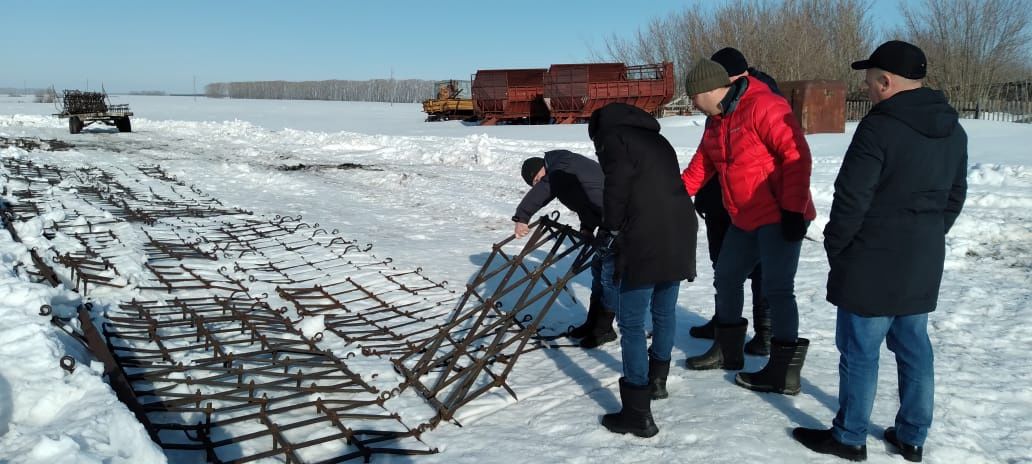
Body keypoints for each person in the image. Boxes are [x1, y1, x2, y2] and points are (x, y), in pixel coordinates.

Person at [793, 40, 968, 463]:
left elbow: (851, 198)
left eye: (870, 81)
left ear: (886, 81)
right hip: (922, 259)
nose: (867, 89)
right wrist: (927, 235)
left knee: (860, 351)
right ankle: (911, 435)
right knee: (914, 347)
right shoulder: (953, 128)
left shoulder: (879, 127)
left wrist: (839, 247)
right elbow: (954, 196)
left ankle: (850, 436)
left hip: (871, 259)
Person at [680, 58, 816, 396]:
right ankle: (728, 349)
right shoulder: (716, 121)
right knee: (726, 275)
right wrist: (670, 198)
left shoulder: (764, 107)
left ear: (710, 90)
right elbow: (701, 167)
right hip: (744, 217)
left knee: (777, 289)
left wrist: (794, 210)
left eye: (694, 97)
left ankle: (783, 372)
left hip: (780, 213)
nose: (693, 104)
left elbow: (797, 157)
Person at [587, 102, 697, 437]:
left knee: (632, 323)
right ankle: (657, 381)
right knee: (664, 311)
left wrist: (609, 228)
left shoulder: (614, 138)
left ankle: (638, 414)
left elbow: (617, 187)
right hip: (680, 230)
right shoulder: (656, 139)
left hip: (645, 235)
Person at [688, 47, 782, 356]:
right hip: (720, 203)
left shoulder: (764, 103)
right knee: (724, 269)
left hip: (759, 206)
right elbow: (704, 160)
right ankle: (724, 326)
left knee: (763, 273)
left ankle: (766, 332)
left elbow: (789, 158)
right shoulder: (719, 113)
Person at [513, 149, 616, 348]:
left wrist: (522, 216)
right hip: (606, 222)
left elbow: (547, 187)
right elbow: (585, 201)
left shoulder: (562, 164)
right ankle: (592, 324)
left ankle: (604, 329)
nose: (538, 184)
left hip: (619, 223)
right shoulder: (563, 169)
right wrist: (586, 227)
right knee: (599, 274)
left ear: (541, 168)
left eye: (536, 179)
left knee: (609, 278)